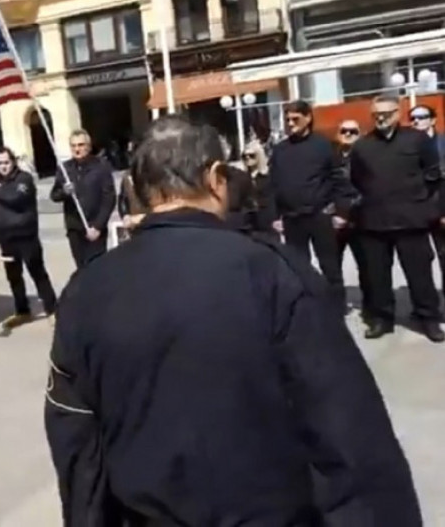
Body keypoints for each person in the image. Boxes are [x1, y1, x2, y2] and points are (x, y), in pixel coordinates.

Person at [44, 116, 421, 527]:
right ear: (216, 179)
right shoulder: (273, 272)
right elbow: (349, 436)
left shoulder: (86, 290)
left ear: (135, 191)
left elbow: (77, 447)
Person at [350, 96, 444, 341]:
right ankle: (382, 319)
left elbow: (433, 174)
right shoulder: (362, 146)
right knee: (378, 276)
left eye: (386, 113)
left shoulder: (417, 139)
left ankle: (428, 318)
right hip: (374, 222)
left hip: (411, 220)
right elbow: (357, 179)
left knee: (420, 274)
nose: (381, 118)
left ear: (398, 113)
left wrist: (426, 207)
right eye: (376, 114)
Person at [269, 100, 353, 305]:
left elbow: (339, 180)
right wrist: (274, 216)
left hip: (319, 215)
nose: (290, 123)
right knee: (297, 267)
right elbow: (273, 185)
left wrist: (341, 212)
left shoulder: (324, 145)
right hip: (291, 218)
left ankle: (336, 306)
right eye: (287, 119)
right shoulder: (280, 150)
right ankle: (308, 307)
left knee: (330, 266)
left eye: (295, 119)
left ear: (308, 118)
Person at [0, 148, 57, 334]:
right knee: (14, 277)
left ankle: (52, 310)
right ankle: (22, 310)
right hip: (6, 239)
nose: (3, 167)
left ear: (13, 162)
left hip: (26, 236)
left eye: (6, 162)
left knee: (38, 273)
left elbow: (16, 198)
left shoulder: (23, 179)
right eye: (0, 163)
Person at [50, 129, 116, 268]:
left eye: (80, 145)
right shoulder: (65, 168)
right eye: (73, 146)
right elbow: (54, 195)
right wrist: (64, 191)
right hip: (75, 227)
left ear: (88, 146)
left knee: (97, 268)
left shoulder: (101, 166)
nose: (77, 149)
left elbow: (109, 198)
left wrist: (98, 226)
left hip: (94, 227)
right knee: (81, 269)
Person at [410, 105, 445, 302]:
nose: (416, 121)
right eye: (413, 118)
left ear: (433, 120)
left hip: (441, 208)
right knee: (419, 261)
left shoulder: (443, 143)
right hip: (416, 211)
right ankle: (424, 304)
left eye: (422, 117)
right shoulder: (406, 146)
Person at [334, 120, 369, 319]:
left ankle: (371, 307)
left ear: (360, 133)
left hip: (361, 217)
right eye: (344, 130)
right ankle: (337, 305)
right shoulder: (331, 157)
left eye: (352, 131)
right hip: (337, 219)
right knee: (333, 265)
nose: (348, 134)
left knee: (366, 266)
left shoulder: (367, 155)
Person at [241, 139, 278, 240]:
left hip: (268, 221)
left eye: (252, 155)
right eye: (245, 156)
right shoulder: (242, 177)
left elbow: (275, 197)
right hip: (250, 222)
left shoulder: (268, 176)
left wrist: (278, 218)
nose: (248, 158)